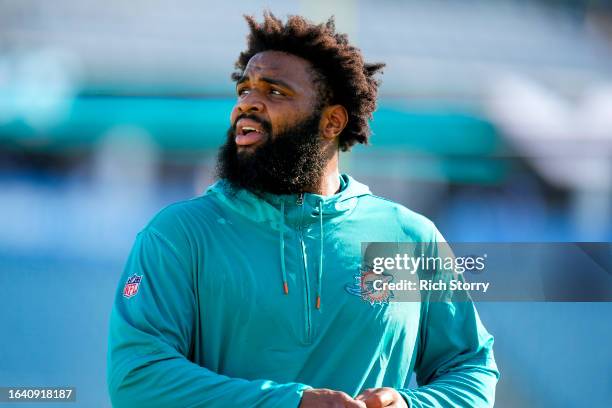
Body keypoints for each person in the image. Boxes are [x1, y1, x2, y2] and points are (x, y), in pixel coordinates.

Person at [107, 13, 499, 408]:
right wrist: (291, 403)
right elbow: (137, 378)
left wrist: (411, 405)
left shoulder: (407, 238)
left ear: (332, 121)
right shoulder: (180, 234)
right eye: (244, 90)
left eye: (275, 92)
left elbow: (471, 370)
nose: (247, 105)